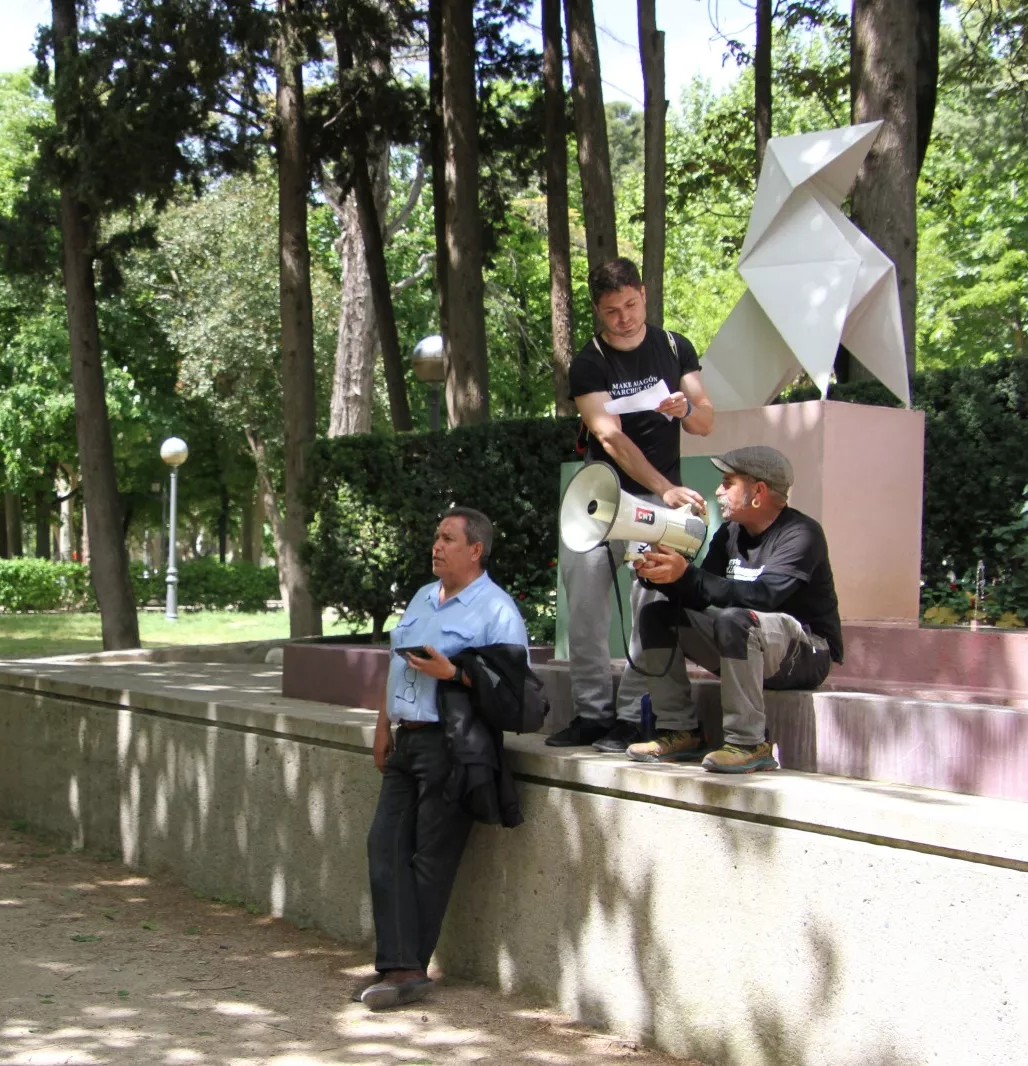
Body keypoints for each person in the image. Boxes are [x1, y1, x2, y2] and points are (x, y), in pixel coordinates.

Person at [358, 507, 528, 1010]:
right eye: (436, 537)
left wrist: (453, 673)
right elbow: (395, 666)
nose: (436, 545)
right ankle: (394, 963)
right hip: (405, 739)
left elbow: (513, 691)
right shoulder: (421, 597)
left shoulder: (497, 611)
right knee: (383, 845)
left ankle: (408, 969)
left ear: (475, 550)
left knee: (430, 858)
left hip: (451, 745)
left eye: (448, 538)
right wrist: (383, 726)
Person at [547, 257, 716, 753]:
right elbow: (608, 436)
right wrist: (665, 487)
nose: (624, 317)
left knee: (649, 610)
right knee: (585, 610)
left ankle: (629, 716)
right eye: (611, 310)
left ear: (643, 293)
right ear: (598, 312)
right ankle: (591, 714)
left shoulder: (673, 345)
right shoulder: (589, 361)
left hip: (654, 500)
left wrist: (688, 408)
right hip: (600, 496)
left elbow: (705, 421)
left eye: (631, 304)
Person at [623, 446, 842, 773]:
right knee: (658, 615)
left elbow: (766, 596)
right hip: (747, 642)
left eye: (727, 483)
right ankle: (680, 731)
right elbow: (702, 592)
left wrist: (688, 575)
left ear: (759, 491)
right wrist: (662, 576)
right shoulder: (730, 533)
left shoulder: (802, 534)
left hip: (805, 654)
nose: (717, 491)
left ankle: (748, 742)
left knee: (736, 618)